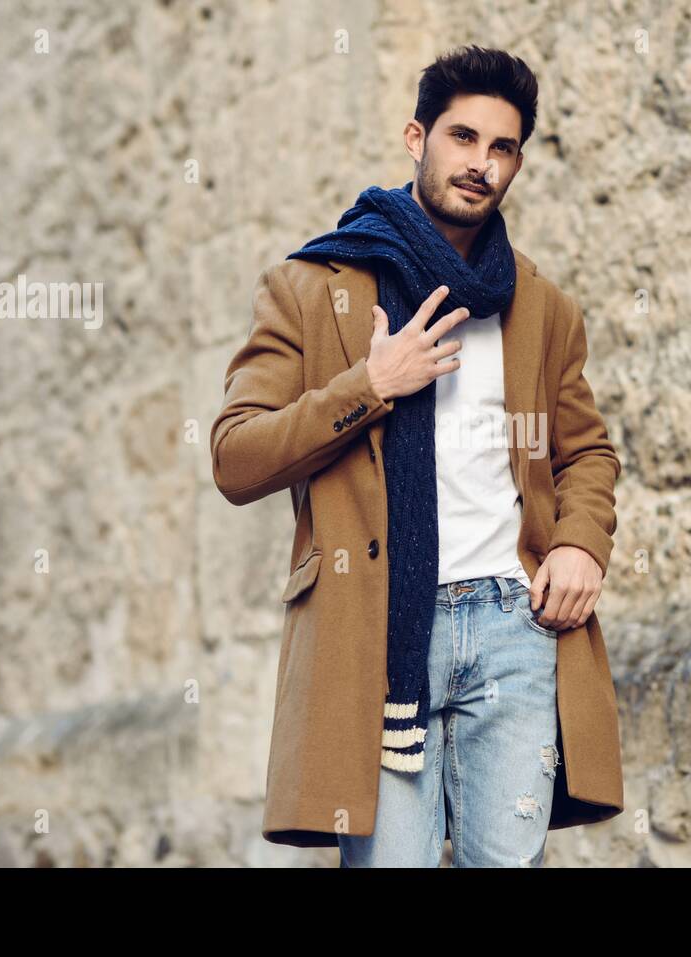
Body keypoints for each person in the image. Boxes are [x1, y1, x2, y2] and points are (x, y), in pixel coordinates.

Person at [210, 45, 623, 867]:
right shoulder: (311, 284)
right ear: (417, 138)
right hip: (381, 633)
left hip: (515, 624)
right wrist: (371, 382)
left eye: (501, 148)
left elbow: (585, 452)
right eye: (462, 137)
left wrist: (581, 541)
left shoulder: (539, 304)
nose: (480, 164)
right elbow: (235, 456)